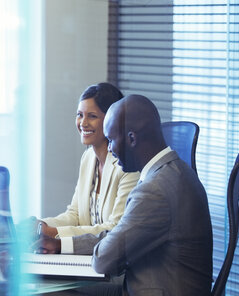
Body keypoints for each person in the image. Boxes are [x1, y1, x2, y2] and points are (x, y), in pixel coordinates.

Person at [36, 95, 213, 295]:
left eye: (111, 139)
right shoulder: (175, 172)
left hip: (151, 290)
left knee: (45, 290)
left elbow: (104, 260)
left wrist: (103, 250)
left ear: (131, 138)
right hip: (145, 285)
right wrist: (61, 244)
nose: (109, 148)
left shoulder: (155, 190)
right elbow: (118, 237)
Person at [36, 83, 139, 244]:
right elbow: (75, 215)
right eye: (79, 115)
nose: (83, 123)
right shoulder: (88, 157)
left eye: (92, 116)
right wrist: (41, 225)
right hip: (86, 256)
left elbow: (115, 228)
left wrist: (53, 233)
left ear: (112, 120)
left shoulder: (128, 166)